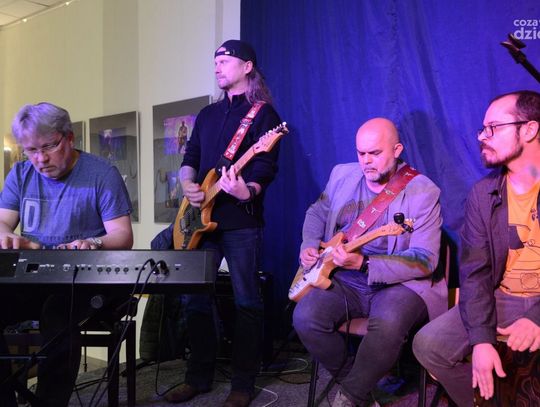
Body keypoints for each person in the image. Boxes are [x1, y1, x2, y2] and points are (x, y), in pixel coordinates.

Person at [293, 118, 445, 407]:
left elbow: (426, 259)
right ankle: (360, 388)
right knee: (305, 317)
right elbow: (316, 213)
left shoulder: (423, 191)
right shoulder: (341, 175)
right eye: (361, 153)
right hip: (345, 278)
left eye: (375, 153)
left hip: (400, 283)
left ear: (397, 150)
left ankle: (350, 397)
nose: (366, 161)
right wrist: (309, 244)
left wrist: (364, 263)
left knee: (387, 323)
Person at [165, 40, 281, 407]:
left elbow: (265, 166)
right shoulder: (207, 114)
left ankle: (243, 385)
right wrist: (187, 184)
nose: (217, 67)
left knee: (247, 301)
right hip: (199, 219)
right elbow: (191, 157)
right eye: (215, 61)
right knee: (194, 299)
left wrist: (247, 190)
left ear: (247, 67)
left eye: (225, 61)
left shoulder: (263, 115)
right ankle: (198, 377)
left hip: (240, 221)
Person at [0, 102, 133, 406]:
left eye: (48, 146)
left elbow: (123, 235)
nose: (40, 158)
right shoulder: (20, 174)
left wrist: (93, 243)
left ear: (69, 138)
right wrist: (7, 235)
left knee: (58, 313)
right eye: (31, 150)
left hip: (85, 281)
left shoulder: (102, 174)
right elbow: (2, 222)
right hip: (35, 278)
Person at [413, 90, 540, 406]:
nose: (482, 137)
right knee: (429, 345)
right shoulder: (482, 195)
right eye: (483, 129)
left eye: (493, 128)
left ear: (529, 129)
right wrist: (481, 340)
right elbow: (475, 273)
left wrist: (537, 318)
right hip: (503, 297)